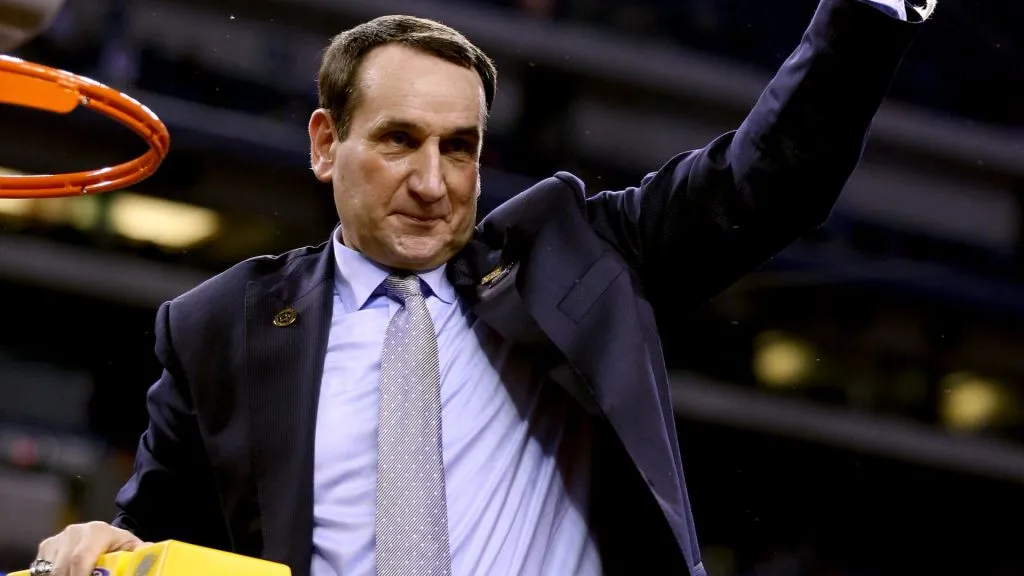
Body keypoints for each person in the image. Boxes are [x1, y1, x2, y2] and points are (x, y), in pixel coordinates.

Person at [30, 1, 934, 575]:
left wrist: (869, 8)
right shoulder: (218, 326)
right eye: (398, 141)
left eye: (459, 148)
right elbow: (153, 536)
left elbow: (763, 180)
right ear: (322, 144)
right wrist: (100, 547)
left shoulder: (575, 254)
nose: (434, 181)